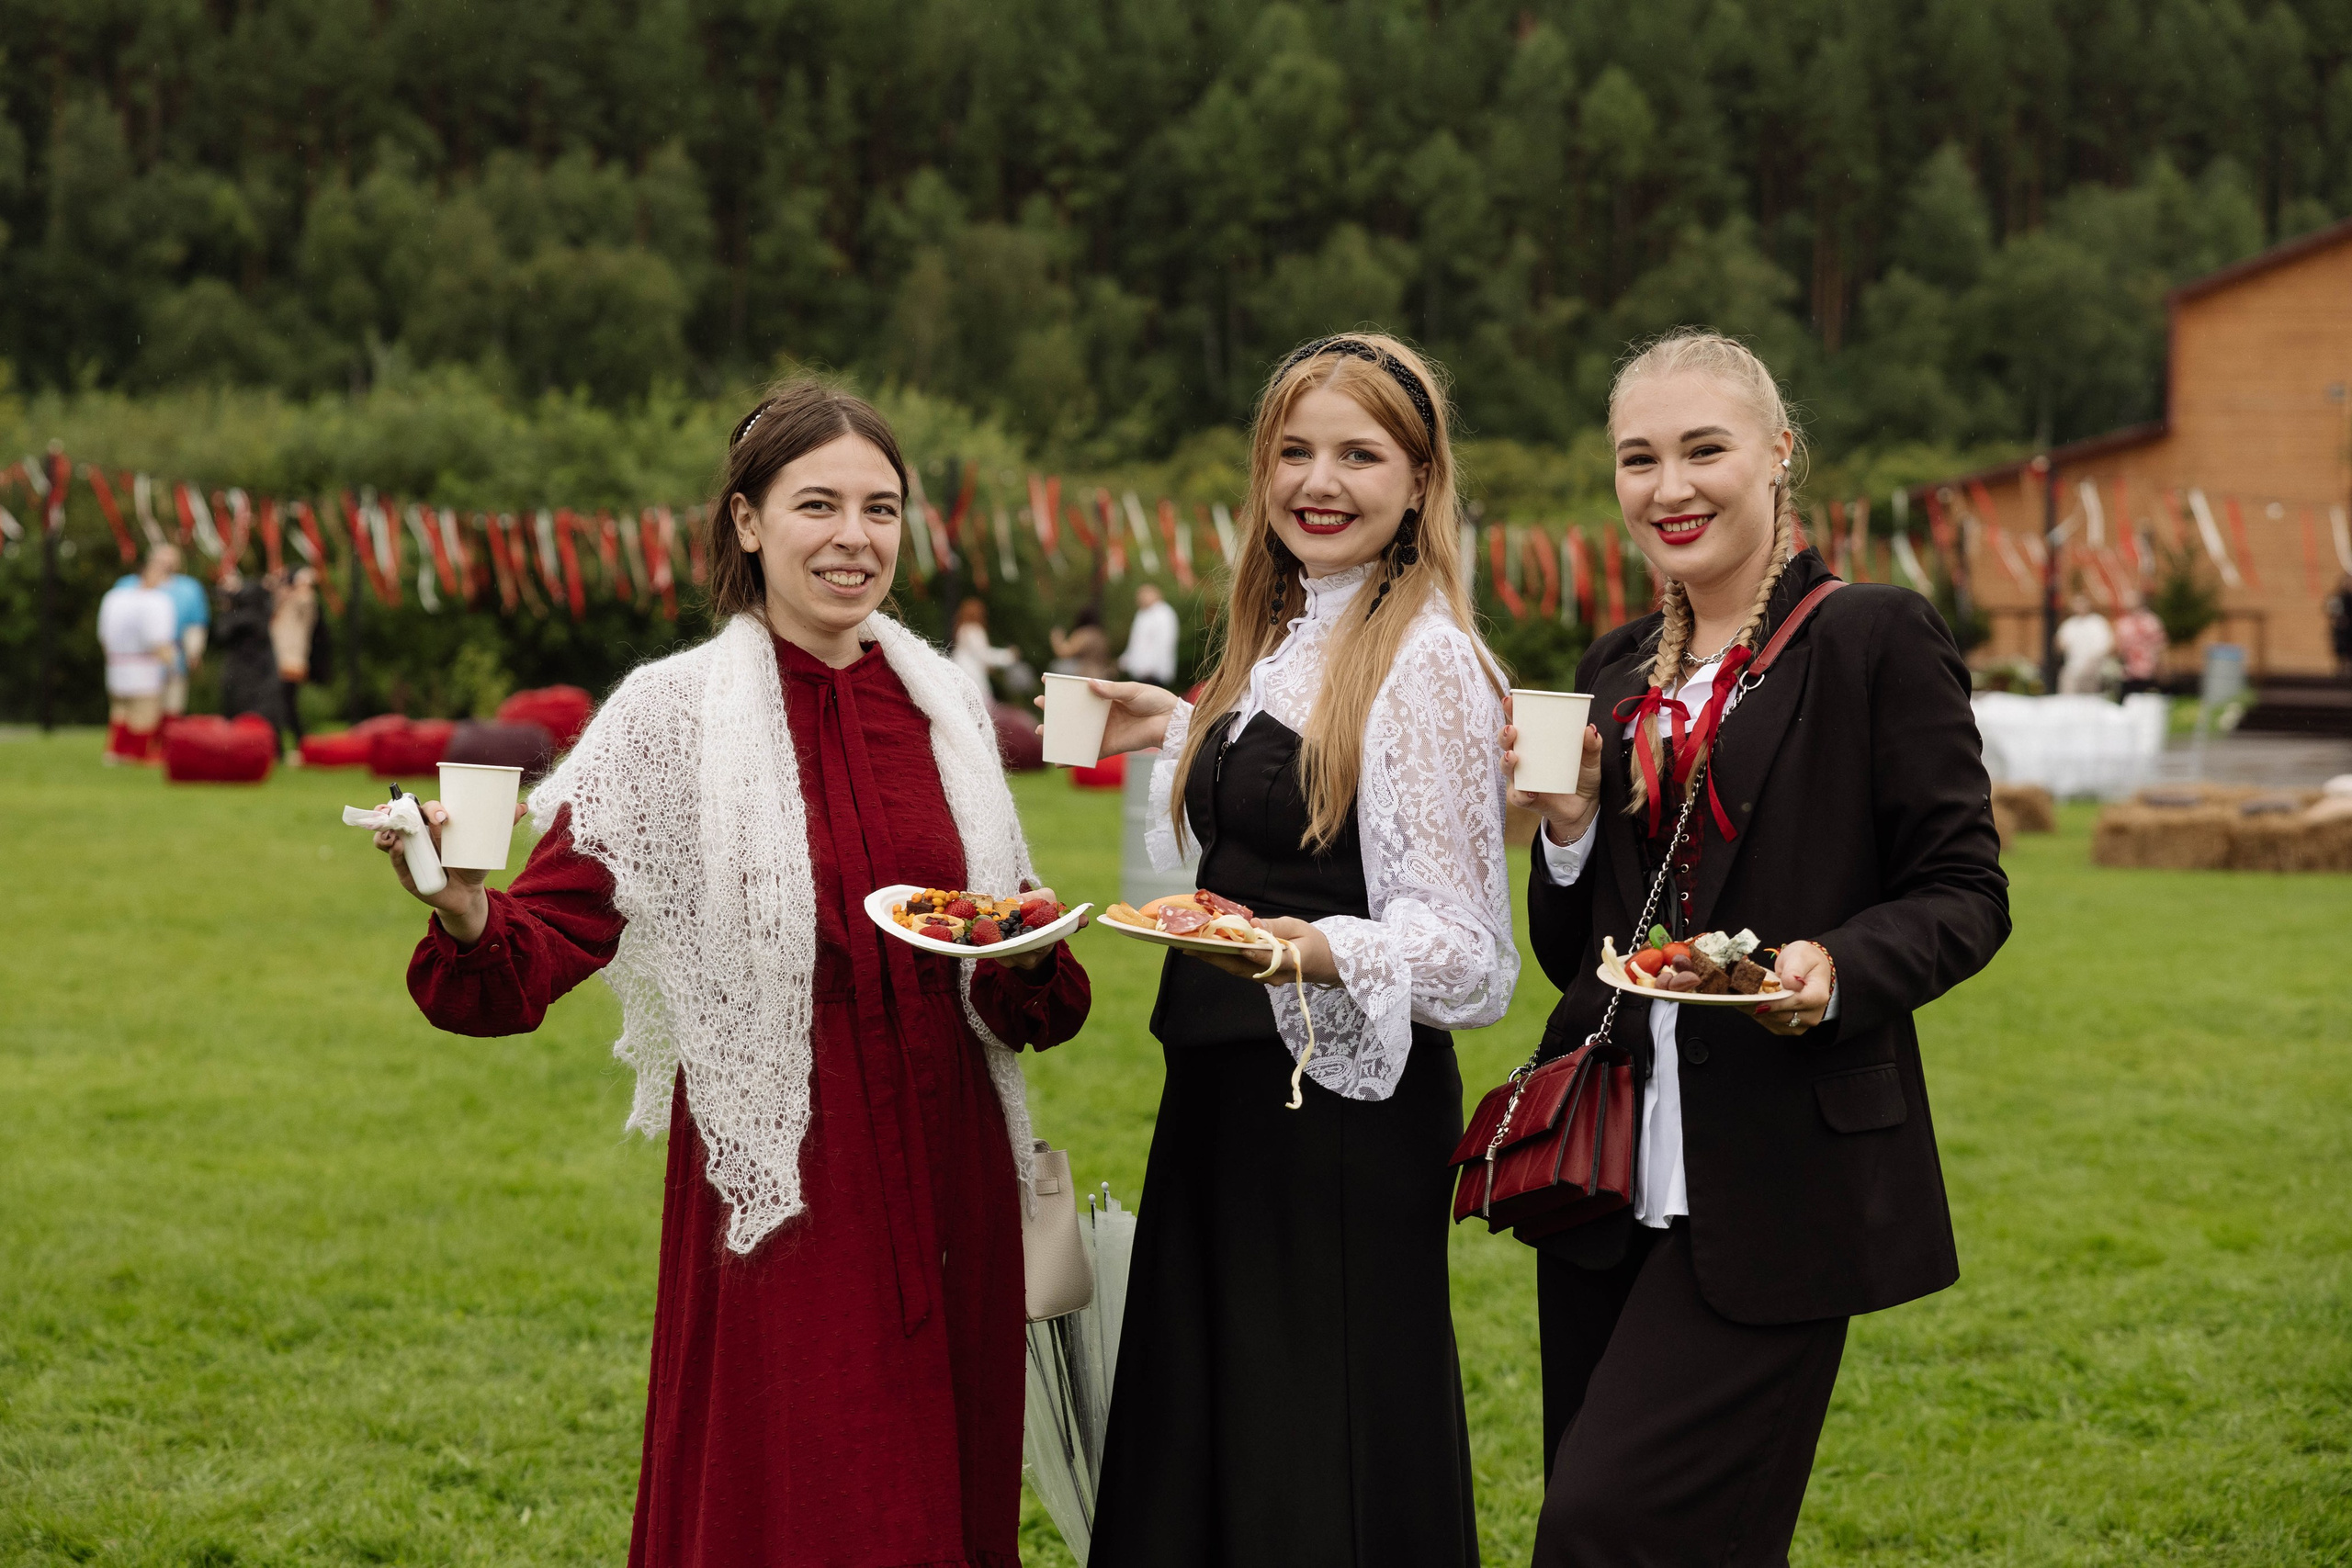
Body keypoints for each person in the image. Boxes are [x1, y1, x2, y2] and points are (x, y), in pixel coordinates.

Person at [377, 379, 1092, 1568]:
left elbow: (1030, 992)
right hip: (790, 1187)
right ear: (748, 521)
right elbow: (529, 953)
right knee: (813, 1500)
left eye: (881, 506)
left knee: (945, 1495)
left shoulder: (947, 709)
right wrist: (462, 910)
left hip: (957, 1163)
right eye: (817, 503)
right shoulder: (668, 718)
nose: (853, 536)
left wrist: (1023, 947)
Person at [1499, 330, 2008, 1566]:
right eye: (1637, 458)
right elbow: (1577, 946)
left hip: (1785, 1179)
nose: (1668, 486)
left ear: (1780, 454)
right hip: (1605, 1174)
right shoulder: (1612, 671)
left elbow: (1964, 887)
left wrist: (1837, 968)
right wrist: (1565, 831)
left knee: (1602, 1526)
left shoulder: (1873, 637)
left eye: (1702, 449)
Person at [1080, 334, 1514, 1568]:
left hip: (1338, 1118)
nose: (1319, 480)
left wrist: (1306, 950)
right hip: (1222, 1089)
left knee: (1315, 1431)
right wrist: (1181, 725)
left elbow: (1472, 957)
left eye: (1359, 453)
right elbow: (1294, 798)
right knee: (1221, 1418)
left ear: (1421, 482)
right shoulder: (1286, 629)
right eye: (1295, 449)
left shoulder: (1429, 659)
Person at [97, 546, 182, 763]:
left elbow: (104, 634)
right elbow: (158, 640)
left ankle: (116, 752)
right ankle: (138, 753)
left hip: (117, 664)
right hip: (144, 666)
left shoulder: (115, 597)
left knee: (120, 711)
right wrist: (172, 664)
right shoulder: (157, 601)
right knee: (143, 714)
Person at [215, 571, 289, 744]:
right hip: (253, 672)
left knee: (255, 714)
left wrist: (229, 605)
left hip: (253, 673)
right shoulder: (258, 612)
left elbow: (224, 631)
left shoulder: (248, 616)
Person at [270, 566, 321, 746]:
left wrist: (293, 586)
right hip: (276, 660)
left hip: (292, 660)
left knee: (287, 705)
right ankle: (280, 747)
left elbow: (305, 599)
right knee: (277, 705)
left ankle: (299, 744)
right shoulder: (280, 603)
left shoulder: (305, 602)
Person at [950, 595, 1017, 698]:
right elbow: (985, 655)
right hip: (974, 678)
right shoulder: (975, 631)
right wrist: (1009, 656)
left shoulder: (962, 629)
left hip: (959, 675)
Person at [1117, 581, 1181, 687]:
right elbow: (1136, 643)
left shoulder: (1163, 614)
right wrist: (1125, 662)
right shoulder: (1142, 614)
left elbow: (1165, 643)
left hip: (1154, 673)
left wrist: (1152, 667)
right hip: (1140, 672)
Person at [2054, 592, 2115, 694]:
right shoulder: (2070, 624)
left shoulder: (2097, 623)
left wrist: (2093, 661)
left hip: (2093, 668)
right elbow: (2060, 644)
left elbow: (2108, 645)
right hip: (2073, 668)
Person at [2113, 589, 2166, 694]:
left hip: (2149, 670)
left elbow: (2161, 646)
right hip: (2129, 672)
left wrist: (2161, 668)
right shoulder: (2123, 624)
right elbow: (2118, 648)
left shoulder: (2151, 622)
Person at [1048, 605, 1115, 680]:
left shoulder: (1085, 634)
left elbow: (1064, 652)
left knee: (1057, 666)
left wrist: (1056, 638)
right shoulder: (1101, 636)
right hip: (1100, 674)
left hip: (1084, 673)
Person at [2327, 573, 2352, 679]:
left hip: (2349, 629)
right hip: (2341, 630)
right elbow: (2331, 610)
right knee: (2341, 649)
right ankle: (2342, 668)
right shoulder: (2338, 597)